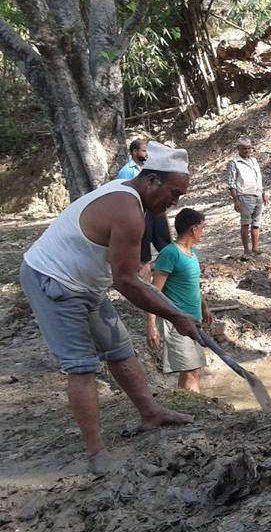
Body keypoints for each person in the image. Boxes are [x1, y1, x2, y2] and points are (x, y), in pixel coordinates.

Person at [19, 142, 198, 473]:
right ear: (152, 180)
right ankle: (97, 454)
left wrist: (174, 312)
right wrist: (175, 315)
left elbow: (128, 277)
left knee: (120, 350)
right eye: (174, 194)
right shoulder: (128, 212)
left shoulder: (130, 195)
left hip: (87, 282)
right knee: (81, 366)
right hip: (53, 280)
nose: (174, 203)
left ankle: (151, 413)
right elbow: (126, 282)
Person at [146, 208, 212, 393]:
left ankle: (186, 402)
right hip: (176, 323)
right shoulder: (170, 253)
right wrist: (151, 325)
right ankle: (196, 406)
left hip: (194, 321)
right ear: (193, 229)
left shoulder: (192, 253)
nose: (203, 231)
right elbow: (153, 293)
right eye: (202, 227)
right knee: (190, 371)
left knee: (194, 370)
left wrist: (205, 308)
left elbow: (194, 284)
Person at [117, 140, 173, 279]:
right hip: (141, 214)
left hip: (155, 210)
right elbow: (124, 196)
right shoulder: (126, 172)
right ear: (135, 152)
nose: (147, 154)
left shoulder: (150, 168)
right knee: (144, 252)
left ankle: (172, 273)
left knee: (165, 243)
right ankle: (145, 279)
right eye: (143, 150)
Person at [225, 136, 268, 256]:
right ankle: (246, 249)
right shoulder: (234, 163)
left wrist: (263, 193)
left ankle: (255, 248)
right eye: (244, 148)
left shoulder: (254, 161)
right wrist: (236, 200)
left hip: (257, 194)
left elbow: (258, 179)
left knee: (256, 223)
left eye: (249, 148)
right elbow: (231, 183)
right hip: (245, 196)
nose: (247, 151)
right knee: (245, 223)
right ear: (238, 148)